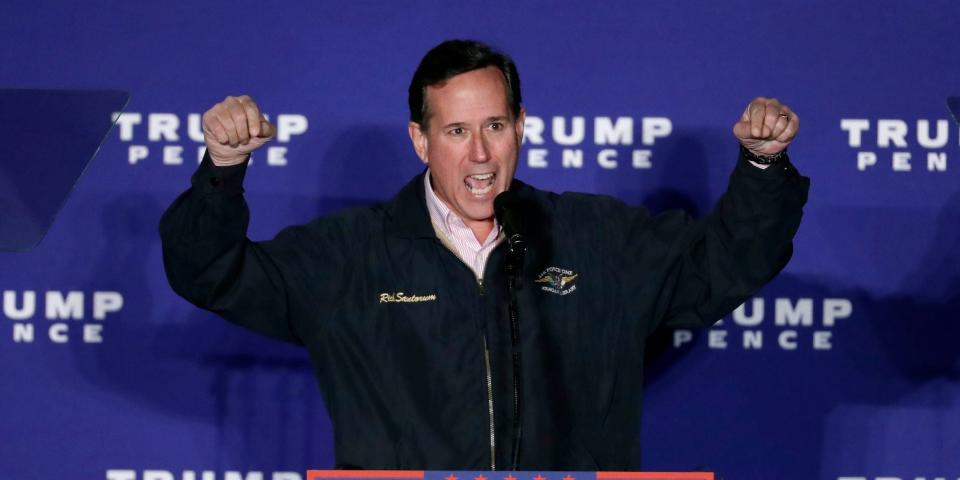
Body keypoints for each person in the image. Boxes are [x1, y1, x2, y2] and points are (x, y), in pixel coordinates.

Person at [160, 39, 808, 471]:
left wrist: (761, 166)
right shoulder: (350, 256)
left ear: (520, 127)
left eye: (495, 127)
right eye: (456, 131)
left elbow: (728, 263)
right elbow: (208, 271)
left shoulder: (594, 239)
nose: (479, 155)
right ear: (420, 140)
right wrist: (222, 170)